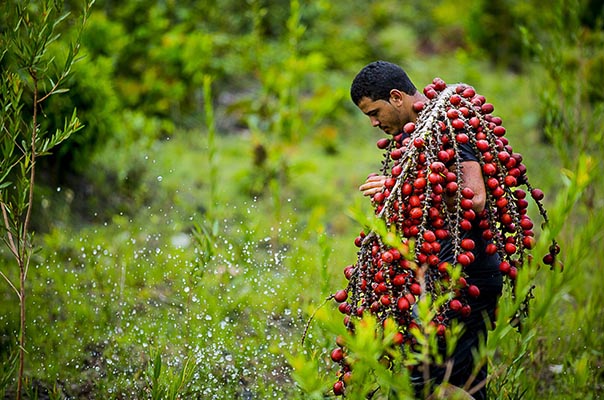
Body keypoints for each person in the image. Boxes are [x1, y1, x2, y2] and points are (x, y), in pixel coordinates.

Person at [349, 60, 503, 400]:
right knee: (464, 385)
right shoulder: (419, 135)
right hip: (449, 276)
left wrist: (396, 186)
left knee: (419, 385)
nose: (374, 123)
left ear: (396, 97)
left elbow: (474, 198)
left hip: (467, 278)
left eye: (375, 112)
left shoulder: (446, 122)